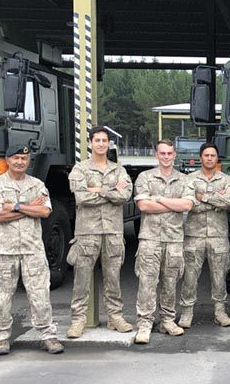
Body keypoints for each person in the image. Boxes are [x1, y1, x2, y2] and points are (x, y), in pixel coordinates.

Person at [0, 144, 63, 355]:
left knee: (40, 295)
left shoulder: (37, 184)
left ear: (29, 162)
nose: (20, 162)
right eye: (16, 158)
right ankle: (1, 338)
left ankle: (48, 335)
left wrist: (16, 206)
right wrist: (30, 208)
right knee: (2, 297)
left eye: (24, 159)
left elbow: (45, 211)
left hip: (32, 249)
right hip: (3, 249)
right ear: (8, 160)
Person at [66, 126, 134, 338]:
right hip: (87, 232)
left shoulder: (118, 170)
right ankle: (78, 320)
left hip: (113, 232)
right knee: (81, 278)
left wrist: (99, 190)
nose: (102, 144)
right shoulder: (80, 169)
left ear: (109, 144)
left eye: (105, 141)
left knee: (113, 278)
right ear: (90, 143)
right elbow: (81, 198)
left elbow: (124, 196)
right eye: (98, 140)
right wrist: (111, 190)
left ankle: (115, 317)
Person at [132, 139, 195, 344]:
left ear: (175, 154)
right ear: (156, 155)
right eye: (162, 153)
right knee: (147, 282)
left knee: (170, 282)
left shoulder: (185, 180)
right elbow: (143, 206)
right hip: (150, 238)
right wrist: (172, 205)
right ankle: (145, 324)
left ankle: (167, 320)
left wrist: (158, 199)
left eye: (169, 153)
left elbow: (187, 205)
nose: (166, 157)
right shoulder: (145, 177)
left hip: (174, 239)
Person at [178, 143, 230, 329]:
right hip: (193, 236)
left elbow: (228, 202)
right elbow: (188, 204)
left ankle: (220, 312)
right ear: (201, 157)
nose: (209, 158)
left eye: (213, 155)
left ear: (217, 158)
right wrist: (215, 201)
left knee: (220, 276)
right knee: (189, 276)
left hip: (218, 236)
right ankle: (187, 313)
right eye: (206, 155)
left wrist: (203, 197)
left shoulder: (227, 180)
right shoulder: (189, 179)